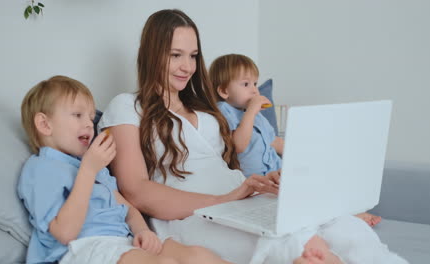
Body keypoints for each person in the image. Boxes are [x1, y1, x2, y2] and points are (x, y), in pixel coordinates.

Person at [98, 9, 408, 264]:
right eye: (175, 55)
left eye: (193, 56)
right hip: (193, 217)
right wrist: (225, 199)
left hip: (241, 200)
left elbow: (233, 164)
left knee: (344, 227)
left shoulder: (205, 109)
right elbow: (136, 190)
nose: (187, 66)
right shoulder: (126, 107)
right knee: (295, 244)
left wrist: (263, 183)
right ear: (150, 54)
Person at [18, 75, 233, 264]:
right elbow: (65, 233)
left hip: (122, 243)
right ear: (45, 124)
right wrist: (88, 171)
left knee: (197, 256)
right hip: (83, 249)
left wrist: (143, 232)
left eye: (91, 118)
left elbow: (127, 209)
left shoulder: (92, 166)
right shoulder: (43, 167)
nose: (88, 125)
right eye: (77, 115)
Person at [208, 53, 382, 228]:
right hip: (256, 185)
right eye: (246, 84)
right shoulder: (224, 110)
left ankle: (346, 213)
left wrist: (305, 154)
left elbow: (274, 142)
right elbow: (238, 145)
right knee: (304, 200)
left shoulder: (258, 117)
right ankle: (343, 219)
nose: (254, 90)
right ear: (224, 91)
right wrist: (252, 111)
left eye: (255, 83)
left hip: (277, 175)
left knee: (318, 182)